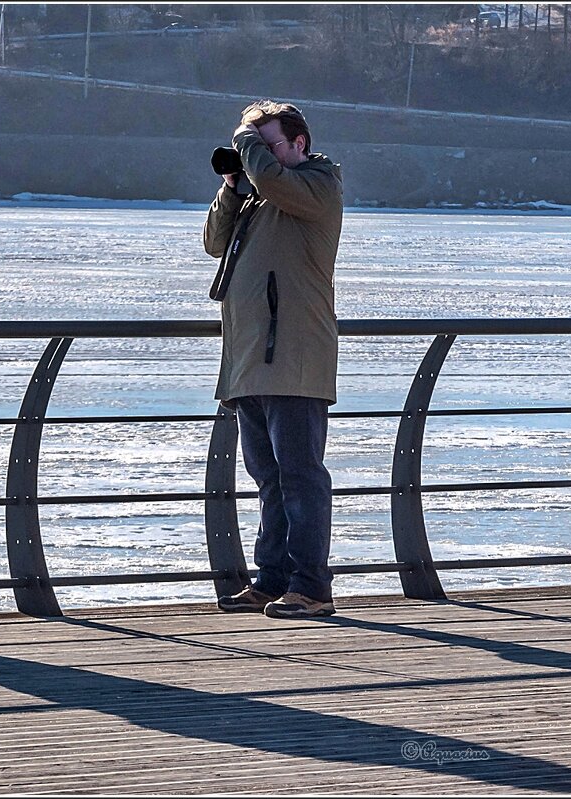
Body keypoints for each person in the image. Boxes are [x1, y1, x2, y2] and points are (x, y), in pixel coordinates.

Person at [203, 100, 344, 619]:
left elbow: (278, 181)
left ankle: (312, 587)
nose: (255, 153)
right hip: (249, 362)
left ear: (299, 144)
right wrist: (232, 187)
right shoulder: (260, 197)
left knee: (301, 477)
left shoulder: (317, 185)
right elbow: (213, 243)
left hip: (295, 359)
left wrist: (247, 142)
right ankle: (273, 580)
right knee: (268, 478)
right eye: (252, 143)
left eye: (268, 143)